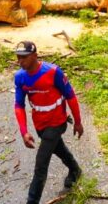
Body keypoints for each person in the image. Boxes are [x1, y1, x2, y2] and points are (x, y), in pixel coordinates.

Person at [14, 41, 83, 204]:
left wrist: (78, 122)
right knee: (58, 149)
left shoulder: (53, 72)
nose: (20, 61)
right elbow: (19, 106)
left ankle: (32, 201)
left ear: (35, 56)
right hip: (40, 125)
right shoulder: (20, 77)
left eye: (24, 57)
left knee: (41, 164)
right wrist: (24, 132)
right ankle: (75, 170)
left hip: (57, 122)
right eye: (18, 57)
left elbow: (71, 96)